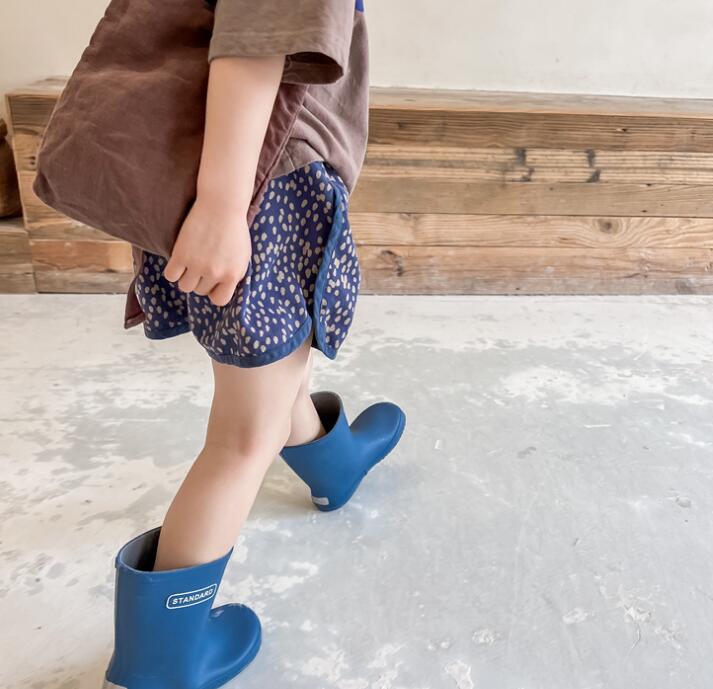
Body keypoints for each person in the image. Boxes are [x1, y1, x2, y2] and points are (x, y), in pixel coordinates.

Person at [102, 1, 406, 688]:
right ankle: (158, 666)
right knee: (245, 437)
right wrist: (223, 204)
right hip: (263, 188)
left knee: (268, 376)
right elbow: (258, 34)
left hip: (220, 174)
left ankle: (335, 467)